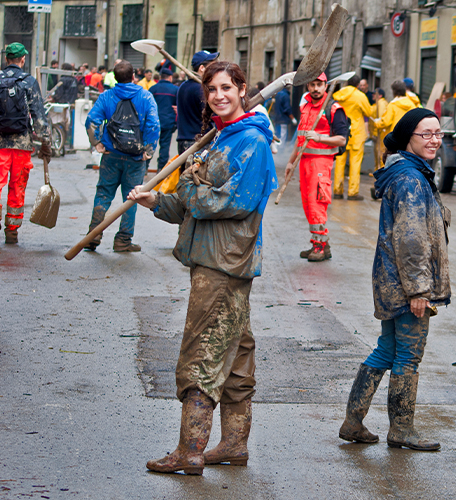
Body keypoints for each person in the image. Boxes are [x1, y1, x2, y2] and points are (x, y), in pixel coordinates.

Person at [128, 61, 277, 475]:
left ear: (242, 89)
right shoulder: (219, 139)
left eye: (226, 87)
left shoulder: (251, 143)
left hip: (223, 266)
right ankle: (233, 444)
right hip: (215, 260)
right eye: (211, 89)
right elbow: (191, 209)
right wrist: (156, 200)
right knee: (237, 355)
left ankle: (189, 451)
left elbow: (225, 203)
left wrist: (188, 181)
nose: (218, 95)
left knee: (201, 354)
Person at [339, 108, 450, 451]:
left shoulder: (407, 172)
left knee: (387, 349)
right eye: (425, 134)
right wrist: (419, 290)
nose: (434, 141)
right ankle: (402, 429)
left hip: (391, 280)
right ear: (408, 139)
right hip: (407, 286)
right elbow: (411, 239)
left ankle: (353, 421)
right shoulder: (411, 180)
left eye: (438, 133)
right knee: (408, 356)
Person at [84, 59, 160, 252]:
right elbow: (153, 126)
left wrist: (98, 143)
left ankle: (93, 236)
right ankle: (123, 240)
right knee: (132, 198)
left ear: (114, 77)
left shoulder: (106, 96)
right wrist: (148, 151)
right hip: (135, 158)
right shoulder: (146, 97)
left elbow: (92, 121)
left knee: (103, 194)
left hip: (111, 155)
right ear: (134, 76)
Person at [283, 73, 347, 262]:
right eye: (312, 85)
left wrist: (319, 138)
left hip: (321, 162)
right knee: (307, 204)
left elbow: (342, 139)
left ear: (325, 85)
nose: (316, 89)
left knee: (317, 203)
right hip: (305, 161)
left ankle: (319, 246)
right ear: (308, 86)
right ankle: (320, 243)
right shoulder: (306, 107)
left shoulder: (333, 108)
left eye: (319, 84)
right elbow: (300, 138)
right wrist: (290, 161)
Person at [0, 42, 51, 244]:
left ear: (6, 59)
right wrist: (45, 143)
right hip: (21, 144)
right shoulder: (28, 81)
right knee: (17, 186)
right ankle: (12, 230)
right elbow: (38, 115)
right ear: (23, 60)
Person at [332, 73, 374, 200]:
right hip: (356, 133)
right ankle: (352, 192)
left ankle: (337, 191)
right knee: (355, 163)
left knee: (339, 161)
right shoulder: (359, 96)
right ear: (357, 85)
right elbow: (369, 112)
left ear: (346, 83)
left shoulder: (338, 95)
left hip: (340, 131)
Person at [176, 51, 218, 154]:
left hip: (183, 141)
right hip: (199, 143)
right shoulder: (201, 89)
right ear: (202, 68)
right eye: (212, 66)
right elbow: (213, 116)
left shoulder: (183, 86)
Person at [149, 68, 178, 171]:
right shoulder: (175, 90)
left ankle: (145, 168)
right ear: (170, 77)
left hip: (153, 122)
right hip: (168, 122)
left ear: (160, 77)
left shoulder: (153, 89)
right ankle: (161, 170)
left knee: (149, 144)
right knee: (165, 146)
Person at [369, 88, 388, 170]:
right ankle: (377, 170)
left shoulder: (382, 104)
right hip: (377, 133)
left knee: (381, 153)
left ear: (380, 95)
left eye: (375, 94)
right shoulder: (377, 104)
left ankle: (381, 171)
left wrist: (376, 131)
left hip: (380, 133)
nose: (373, 95)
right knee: (378, 152)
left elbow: (380, 120)